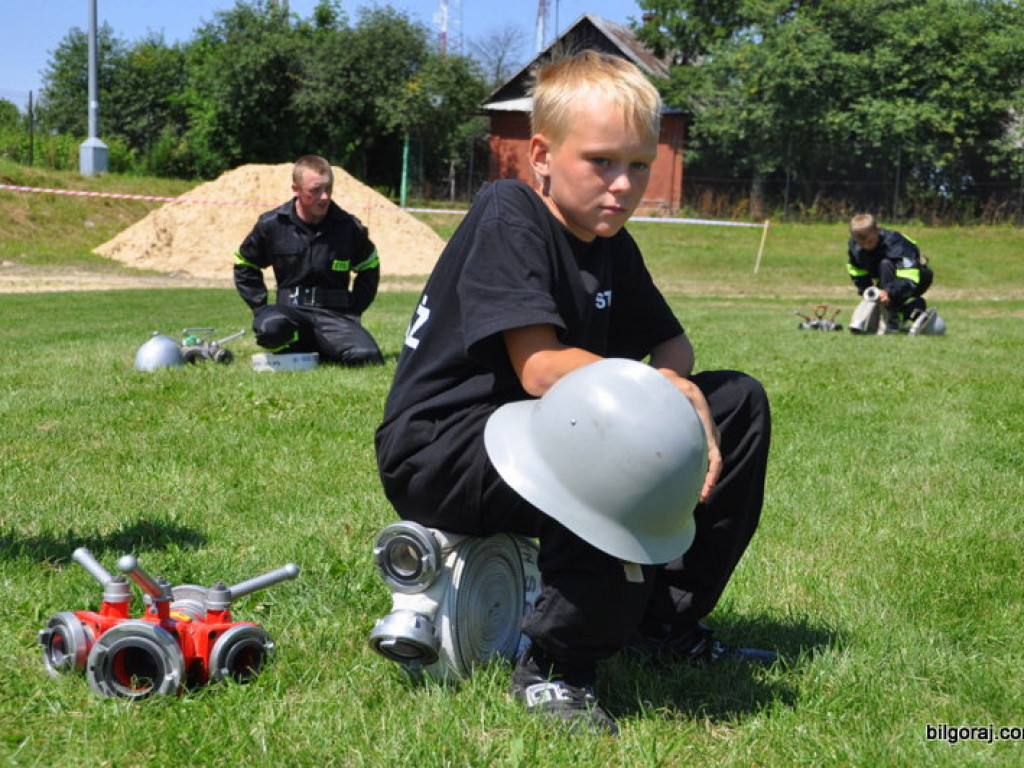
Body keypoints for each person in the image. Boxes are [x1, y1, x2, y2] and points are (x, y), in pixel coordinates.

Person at [374, 51, 773, 735]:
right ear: (542, 155)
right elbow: (540, 368)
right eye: (601, 161)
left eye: (639, 165)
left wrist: (679, 385)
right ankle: (557, 666)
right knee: (614, 425)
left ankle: (659, 625)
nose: (622, 185)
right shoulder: (510, 212)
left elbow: (672, 343)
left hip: (535, 436)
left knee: (736, 401)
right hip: (443, 451)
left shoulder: (610, 241)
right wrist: (657, 396)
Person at [234, 155, 384, 365]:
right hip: (289, 313)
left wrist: (355, 308)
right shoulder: (272, 224)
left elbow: (369, 266)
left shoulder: (349, 227)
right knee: (271, 329)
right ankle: (312, 344)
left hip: (333, 315)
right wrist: (260, 308)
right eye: (315, 190)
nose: (324, 197)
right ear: (296, 189)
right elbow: (245, 263)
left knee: (366, 357)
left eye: (328, 189)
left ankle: (324, 344)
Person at [847, 213, 934, 333]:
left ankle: (891, 323)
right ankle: (910, 310)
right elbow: (857, 271)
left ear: (878, 230)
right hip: (886, 278)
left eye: (870, 241)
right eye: (862, 244)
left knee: (885, 264)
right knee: (883, 274)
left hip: (917, 277)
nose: (867, 247)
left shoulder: (896, 243)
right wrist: (867, 291)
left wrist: (888, 291)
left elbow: (910, 279)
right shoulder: (854, 246)